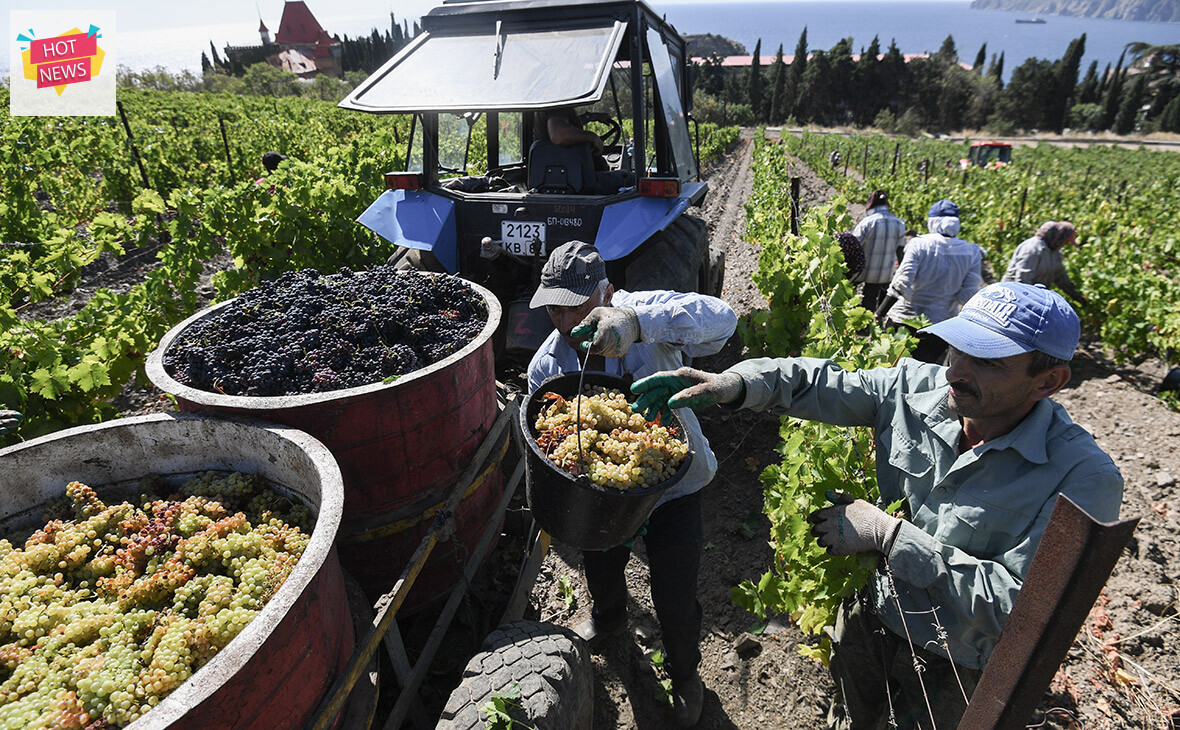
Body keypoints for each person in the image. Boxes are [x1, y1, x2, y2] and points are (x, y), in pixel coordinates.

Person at [628, 282, 1123, 730]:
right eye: (958, 346)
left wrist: (891, 537)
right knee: (851, 713)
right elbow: (818, 383)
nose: (957, 369)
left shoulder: (1081, 477)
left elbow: (1024, 612)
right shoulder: (917, 386)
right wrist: (735, 385)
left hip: (953, 666)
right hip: (870, 613)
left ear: (1048, 382)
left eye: (989, 361)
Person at [527, 240, 737, 728]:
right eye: (554, 309)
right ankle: (609, 617)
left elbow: (722, 321)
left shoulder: (643, 314)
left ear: (607, 293)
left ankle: (686, 677)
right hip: (598, 494)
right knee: (599, 563)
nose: (564, 322)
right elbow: (543, 434)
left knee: (674, 595)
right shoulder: (548, 364)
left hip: (670, 486)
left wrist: (639, 323)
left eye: (575, 308)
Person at [876, 199, 984, 364]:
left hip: (904, 319)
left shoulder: (919, 244)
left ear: (933, 221)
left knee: (889, 371)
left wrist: (880, 313)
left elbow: (901, 282)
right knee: (922, 380)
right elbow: (968, 296)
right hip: (940, 328)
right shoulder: (972, 252)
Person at [1002, 221, 1086, 304]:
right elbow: (1023, 281)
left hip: (1034, 297)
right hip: (1012, 297)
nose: (1066, 244)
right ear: (1059, 237)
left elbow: (1061, 277)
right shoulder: (1032, 249)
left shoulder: (1055, 253)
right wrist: (1031, 303)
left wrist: (1077, 296)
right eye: (1066, 240)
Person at [852, 190, 907, 313]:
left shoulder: (867, 222)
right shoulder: (899, 223)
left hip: (862, 269)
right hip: (883, 272)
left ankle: (850, 320)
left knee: (850, 294)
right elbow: (900, 249)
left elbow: (854, 246)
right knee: (870, 298)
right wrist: (901, 269)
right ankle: (865, 327)